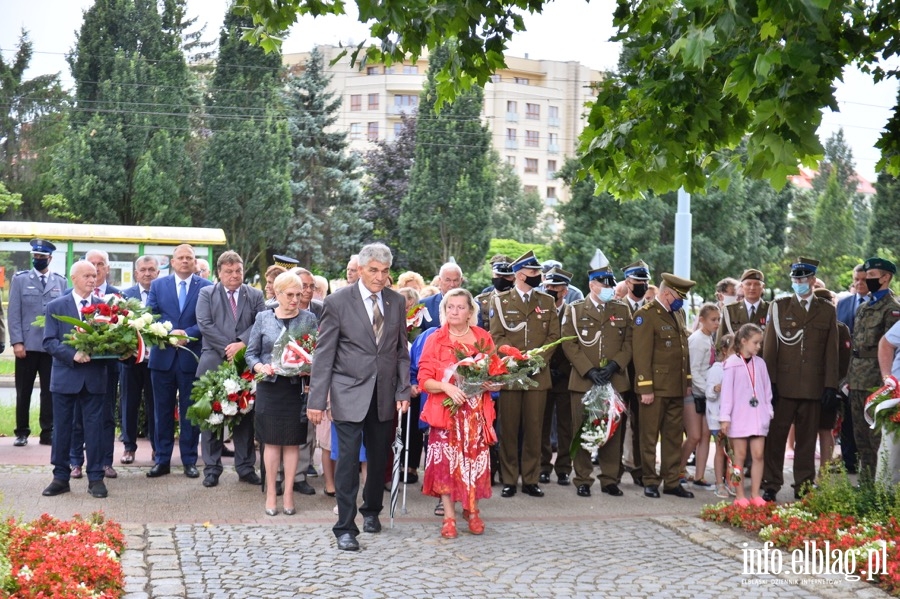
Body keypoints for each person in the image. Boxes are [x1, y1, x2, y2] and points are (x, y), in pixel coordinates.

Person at [307, 243, 411, 552]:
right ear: (361, 270)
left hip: (383, 394)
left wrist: (403, 389)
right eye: (374, 271)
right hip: (348, 392)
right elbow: (324, 355)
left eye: (385, 271)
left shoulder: (396, 301)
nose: (380, 277)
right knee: (349, 462)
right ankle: (345, 528)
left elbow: (401, 351)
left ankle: (372, 512)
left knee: (379, 459)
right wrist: (316, 399)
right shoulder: (337, 302)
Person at [419, 288, 497, 538]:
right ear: (444, 311)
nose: (454, 311)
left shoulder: (483, 337)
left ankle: (472, 509)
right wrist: (446, 386)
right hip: (445, 413)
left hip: (475, 414)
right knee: (446, 464)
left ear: (470, 311)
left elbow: (496, 375)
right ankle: (450, 516)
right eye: (450, 307)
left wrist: (490, 383)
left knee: (473, 463)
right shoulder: (435, 338)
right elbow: (424, 380)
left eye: (460, 307)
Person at [761, 258, 838, 502]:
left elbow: (832, 351)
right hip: (783, 385)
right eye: (795, 279)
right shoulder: (780, 306)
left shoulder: (826, 310)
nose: (798, 283)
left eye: (803, 279)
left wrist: (830, 385)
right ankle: (771, 483)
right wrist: (769, 382)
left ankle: (803, 484)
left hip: (813, 386)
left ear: (813, 281)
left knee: (807, 440)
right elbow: (770, 347)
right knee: (776, 438)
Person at [490, 250, 560, 498]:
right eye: (533, 272)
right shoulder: (500, 301)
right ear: (520, 275)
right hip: (510, 375)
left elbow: (554, 337)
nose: (538, 276)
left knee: (534, 429)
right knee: (508, 429)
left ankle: (530, 479)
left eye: (538, 272)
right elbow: (496, 337)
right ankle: (509, 478)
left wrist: (537, 360)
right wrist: (513, 359)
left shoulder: (547, 302)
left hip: (538, 375)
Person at [246, 271, 318, 515]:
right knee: (271, 442)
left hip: (294, 389)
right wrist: (259, 367)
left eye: (299, 294)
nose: (296, 299)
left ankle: (288, 494)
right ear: (277, 294)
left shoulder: (309, 319)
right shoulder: (263, 318)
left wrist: (307, 366)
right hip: (270, 386)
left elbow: (314, 351)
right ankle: (270, 495)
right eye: (290, 295)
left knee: (292, 444)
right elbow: (250, 353)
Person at [561, 261, 633, 498]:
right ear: (592, 285)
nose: (611, 287)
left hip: (614, 379)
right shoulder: (576, 309)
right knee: (582, 430)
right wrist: (589, 370)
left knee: (612, 430)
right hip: (584, 380)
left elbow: (630, 342)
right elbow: (569, 343)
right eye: (606, 283)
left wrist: (614, 365)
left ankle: (610, 479)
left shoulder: (622, 309)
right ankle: (582, 478)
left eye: (612, 283)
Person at [196, 251, 266, 488]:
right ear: (219, 273)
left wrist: (242, 344)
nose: (234, 275)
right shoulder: (207, 293)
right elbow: (204, 324)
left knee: (244, 418)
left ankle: (245, 467)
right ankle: (212, 468)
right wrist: (229, 347)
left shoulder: (255, 294)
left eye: (238, 271)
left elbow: (260, 322)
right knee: (213, 417)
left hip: (245, 364)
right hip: (213, 362)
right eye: (229, 271)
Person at [41, 260, 110, 499]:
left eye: (95, 275)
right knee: (62, 429)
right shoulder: (56, 306)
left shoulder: (105, 308)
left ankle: (96, 478)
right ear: (74, 278)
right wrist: (73, 355)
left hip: (94, 378)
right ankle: (60, 477)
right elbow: (49, 341)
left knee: (95, 429)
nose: (93, 279)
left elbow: (110, 341)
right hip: (65, 377)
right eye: (87, 276)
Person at [146, 244, 212, 479]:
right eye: (180, 258)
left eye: (189, 258)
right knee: (161, 411)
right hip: (163, 357)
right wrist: (168, 334)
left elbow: (207, 320)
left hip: (191, 359)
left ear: (195, 262)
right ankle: (162, 460)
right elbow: (150, 315)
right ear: (172, 262)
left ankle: (189, 460)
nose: (185, 261)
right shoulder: (158, 285)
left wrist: (187, 334)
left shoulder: (206, 287)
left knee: (189, 413)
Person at [632, 272, 697, 499]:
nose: (681, 301)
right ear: (667, 293)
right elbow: (641, 355)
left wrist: (687, 381)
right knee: (649, 437)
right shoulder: (646, 315)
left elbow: (683, 352)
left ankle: (671, 481)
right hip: (655, 389)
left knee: (672, 437)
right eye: (679, 296)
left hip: (675, 387)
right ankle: (650, 480)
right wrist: (646, 388)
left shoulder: (677, 313)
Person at [9, 239, 67, 447]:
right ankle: (22, 431)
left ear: (50, 258)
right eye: (35, 257)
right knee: (23, 390)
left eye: (42, 257)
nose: (38, 260)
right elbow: (14, 313)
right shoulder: (20, 280)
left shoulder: (61, 282)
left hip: (51, 347)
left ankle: (47, 431)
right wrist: (17, 342)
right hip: (27, 346)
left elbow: (64, 315)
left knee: (49, 391)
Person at [71, 249, 121, 480]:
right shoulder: (69, 297)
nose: (96, 269)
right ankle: (75, 462)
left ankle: (105, 462)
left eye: (100, 264)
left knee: (106, 416)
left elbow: (123, 333)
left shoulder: (116, 297)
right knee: (76, 417)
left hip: (105, 369)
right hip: (77, 368)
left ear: (107, 268)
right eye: (91, 264)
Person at [848, 257, 900, 476]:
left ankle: (880, 489)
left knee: (878, 436)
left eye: (871, 276)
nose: (866, 280)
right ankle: (866, 483)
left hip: (877, 382)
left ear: (885, 277)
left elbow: (890, 348)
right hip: (857, 378)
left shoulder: (893, 308)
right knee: (860, 436)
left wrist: (886, 381)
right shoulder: (864, 306)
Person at [720, 324, 773, 507]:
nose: (759, 347)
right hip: (738, 417)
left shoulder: (761, 363)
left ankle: (756, 494)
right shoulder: (732, 364)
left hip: (758, 416)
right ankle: (740, 494)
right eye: (755, 343)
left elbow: (767, 390)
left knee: (758, 454)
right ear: (743, 341)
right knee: (739, 457)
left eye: (760, 343)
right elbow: (726, 394)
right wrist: (725, 417)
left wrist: (768, 411)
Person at [119, 256, 160, 465]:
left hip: (157, 361)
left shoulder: (162, 292)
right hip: (131, 361)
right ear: (136, 273)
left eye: (151, 269)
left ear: (158, 272)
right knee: (129, 404)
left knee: (156, 405)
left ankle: (156, 447)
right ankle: (128, 447)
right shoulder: (125, 295)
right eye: (143, 270)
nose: (147, 273)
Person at [539, 267, 576, 487]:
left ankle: (563, 467)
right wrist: (545, 365)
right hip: (543, 372)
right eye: (548, 286)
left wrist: (562, 368)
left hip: (566, 375)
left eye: (555, 287)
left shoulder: (573, 311)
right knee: (542, 424)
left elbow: (576, 341)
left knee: (566, 425)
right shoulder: (539, 309)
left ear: (565, 290)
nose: (551, 290)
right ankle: (544, 466)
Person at [619, 259, 652, 485]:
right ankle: (614, 470)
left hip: (644, 375)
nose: (641, 285)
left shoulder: (652, 310)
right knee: (618, 423)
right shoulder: (616, 307)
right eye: (637, 281)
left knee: (642, 425)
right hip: (620, 373)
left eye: (644, 281)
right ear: (627, 283)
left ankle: (641, 470)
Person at [813, 288, 851, 476]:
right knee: (808, 431)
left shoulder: (840, 328)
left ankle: (824, 473)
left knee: (825, 429)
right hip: (807, 387)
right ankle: (807, 475)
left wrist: (835, 387)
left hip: (829, 388)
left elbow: (844, 362)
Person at [683, 303, 720, 490]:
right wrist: (708, 390)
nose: (717, 323)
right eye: (713, 320)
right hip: (696, 393)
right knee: (694, 435)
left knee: (706, 435)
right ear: (702, 320)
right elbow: (694, 370)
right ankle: (678, 469)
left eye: (718, 319)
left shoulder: (709, 338)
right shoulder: (697, 340)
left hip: (706, 394)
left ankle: (700, 475)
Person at [835, 264, 866, 473]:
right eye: (856, 279)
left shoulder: (882, 304)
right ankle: (849, 463)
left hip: (868, 372)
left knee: (866, 417)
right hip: (845, 371)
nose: (859, 283)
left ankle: (868, 463)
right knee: (846, 417)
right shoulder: (843, 303)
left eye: (863, 279)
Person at [706, 333, 734, 498]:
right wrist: (716, 389)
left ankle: (733, 482)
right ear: (724, 351)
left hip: (735, 418)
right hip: (719, 419)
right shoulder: (717, 369)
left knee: (735, 454)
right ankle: (719, 482)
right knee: (720, 449)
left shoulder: (739, 367)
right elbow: (709, 394)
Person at [718, 269, 768, 337]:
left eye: (756, 284)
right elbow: (720, 341)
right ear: (742, 286)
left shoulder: (771, 310)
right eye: (748, 284)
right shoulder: (730, 310)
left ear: (763, 287)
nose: (752, 288)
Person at [419, 262, 463, 331]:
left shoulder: (472, 305)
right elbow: (417, 336)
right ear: (440, 281)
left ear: (461, 281)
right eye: (448, 280)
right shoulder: (425, 305)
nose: (452, 284)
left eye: (455, 280)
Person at [475, 260, 514, 328]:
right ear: (492, 275)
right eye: (498, 275)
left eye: (506, 276)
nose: (501, 279)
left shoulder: (521, 299)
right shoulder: (480, 301)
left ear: (514, 278)